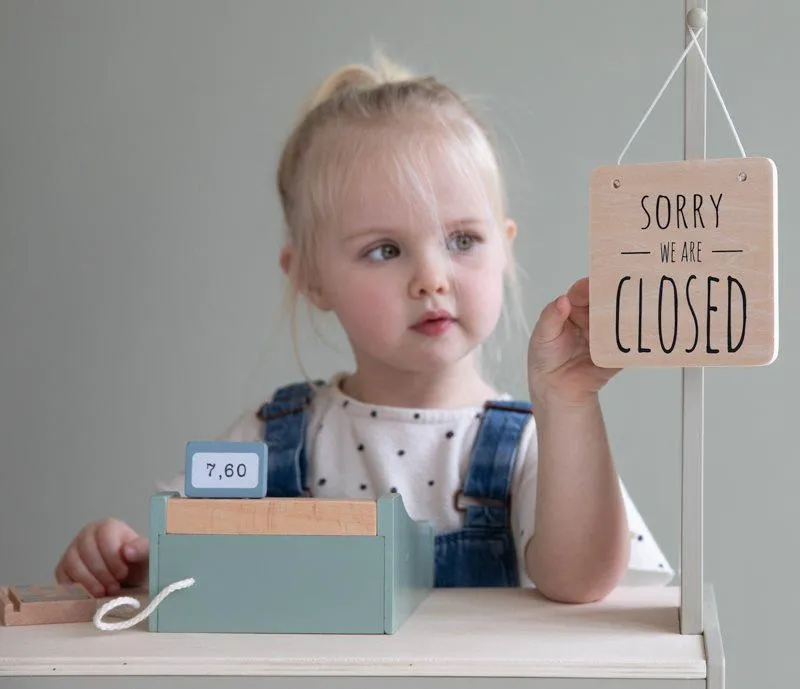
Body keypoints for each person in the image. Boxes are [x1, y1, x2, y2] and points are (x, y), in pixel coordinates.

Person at [55, 53, 673, 603]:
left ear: (505, 249)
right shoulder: (269, 443)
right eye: (384, 250)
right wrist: (125, 558)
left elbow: (584, 582)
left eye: (462, 240)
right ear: (309, 277)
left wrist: (568, 405)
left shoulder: (533, 446)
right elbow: (180, 558)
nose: (432, 278)